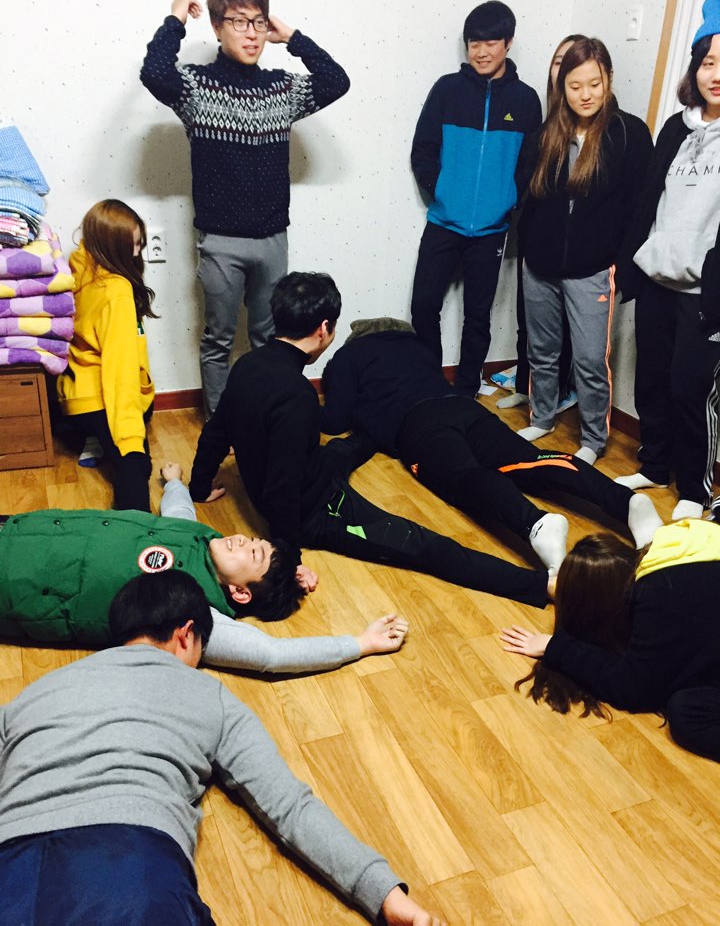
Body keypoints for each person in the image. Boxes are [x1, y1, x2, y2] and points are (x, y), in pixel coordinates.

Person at [0, 570, 445, 926]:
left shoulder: (36, 690)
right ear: (186, 634)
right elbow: (289, 807)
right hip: (129, 864)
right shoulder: (208, 695)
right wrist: (385, 894)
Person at [189, 272, 553, 608]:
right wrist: (290, 561)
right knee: (423, 545)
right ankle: (540, 585)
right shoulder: (297, 396)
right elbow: (282, 491)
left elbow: (217, 431)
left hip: (314, 471)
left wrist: (199, 485)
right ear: (324, 329)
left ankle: (379, 432)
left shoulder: (247, 365)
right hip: (317, 511)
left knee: (347, 447)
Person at [140, 0, 350, 416]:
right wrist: (176, 18)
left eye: (258, 22)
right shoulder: (195, 88)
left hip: (273, 238)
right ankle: (221, 427)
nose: (251, 33)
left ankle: (267, 418)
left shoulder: (282, 89)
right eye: (239, 21)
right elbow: (155, 72)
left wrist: (292, 37)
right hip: (220, 242)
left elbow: (337, 81)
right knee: (217, 340)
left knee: (272, 340)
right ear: (217, 27)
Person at [320, 318, 662, 574]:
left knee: (464, 476)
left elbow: (335, 419)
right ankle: (628, 502)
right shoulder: (418, 346)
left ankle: (536, 524)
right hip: (463, 407)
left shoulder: (349, 355)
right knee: (529, 460)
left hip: (418, 422)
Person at [0, 464, 409, 671]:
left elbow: (272, 653)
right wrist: (174, 481)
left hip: (13, 580)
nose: (242, 540)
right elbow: (179, 512)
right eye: (253, 541)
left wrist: (361, 644)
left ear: (241, 593)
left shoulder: (197, 616)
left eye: (253, 554)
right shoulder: (199, 538)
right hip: (21, 528)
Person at [516, 37, 653, 465]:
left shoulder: (629, 133)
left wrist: (621, 265)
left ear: (608, 79)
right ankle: (542, 416)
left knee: (591, 359)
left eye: (594, 84)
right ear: (562, 87)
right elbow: (529, 195)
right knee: (542, 350)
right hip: (539, 264)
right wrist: (527, 248)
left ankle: (594, 439)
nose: (586, 95)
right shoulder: (548, 133)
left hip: (593, 269)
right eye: (575, 86)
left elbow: (640, 209)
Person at [615, 0, 720, 520]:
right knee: (651, 380)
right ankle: (654, 464)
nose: (716, 74)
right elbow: (647, 200)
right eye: (709, 62)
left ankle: (696, 490)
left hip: (704, 290)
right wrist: (628, 263)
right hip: (657, 277)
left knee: (690, 390)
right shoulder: (678, 127)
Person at [500, 518, 720, 763]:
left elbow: (635, 690)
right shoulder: (677, 547)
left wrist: (557, 647)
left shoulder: (656, 597)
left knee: (688, 711)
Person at [410, 0, 542, 397]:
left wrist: (508, 201)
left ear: (508, 43)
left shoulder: (525, 100)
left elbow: (530, 163)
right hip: (443, 222)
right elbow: (423, 150)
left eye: (491, 43)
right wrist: (442, 190)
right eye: (474, 43)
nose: (481, 52)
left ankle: (466, 390)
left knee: (478, 316)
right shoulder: (447, 90)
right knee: (423, 306)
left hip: (491, 230)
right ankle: (430, 384)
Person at [498, 34, 585, 412]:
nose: (562, 69)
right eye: (558, 62)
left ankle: (557, 393)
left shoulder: (592, 130)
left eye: (571, 62)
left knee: (560, 326)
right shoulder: (545, 122)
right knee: (526, 320)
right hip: (532, 240)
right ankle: (524, 385)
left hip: (572, 251)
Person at [56, 199, 157, 511]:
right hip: (100, 398)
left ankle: (91, 437)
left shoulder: (77, 266)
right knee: (137, 462)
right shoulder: (117, 291)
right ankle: (132, 530)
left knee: (141, 410)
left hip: (72, 396)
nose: (138, 253)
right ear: (113, 247)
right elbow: (120, 371)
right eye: (134, 245)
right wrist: (130, 441)